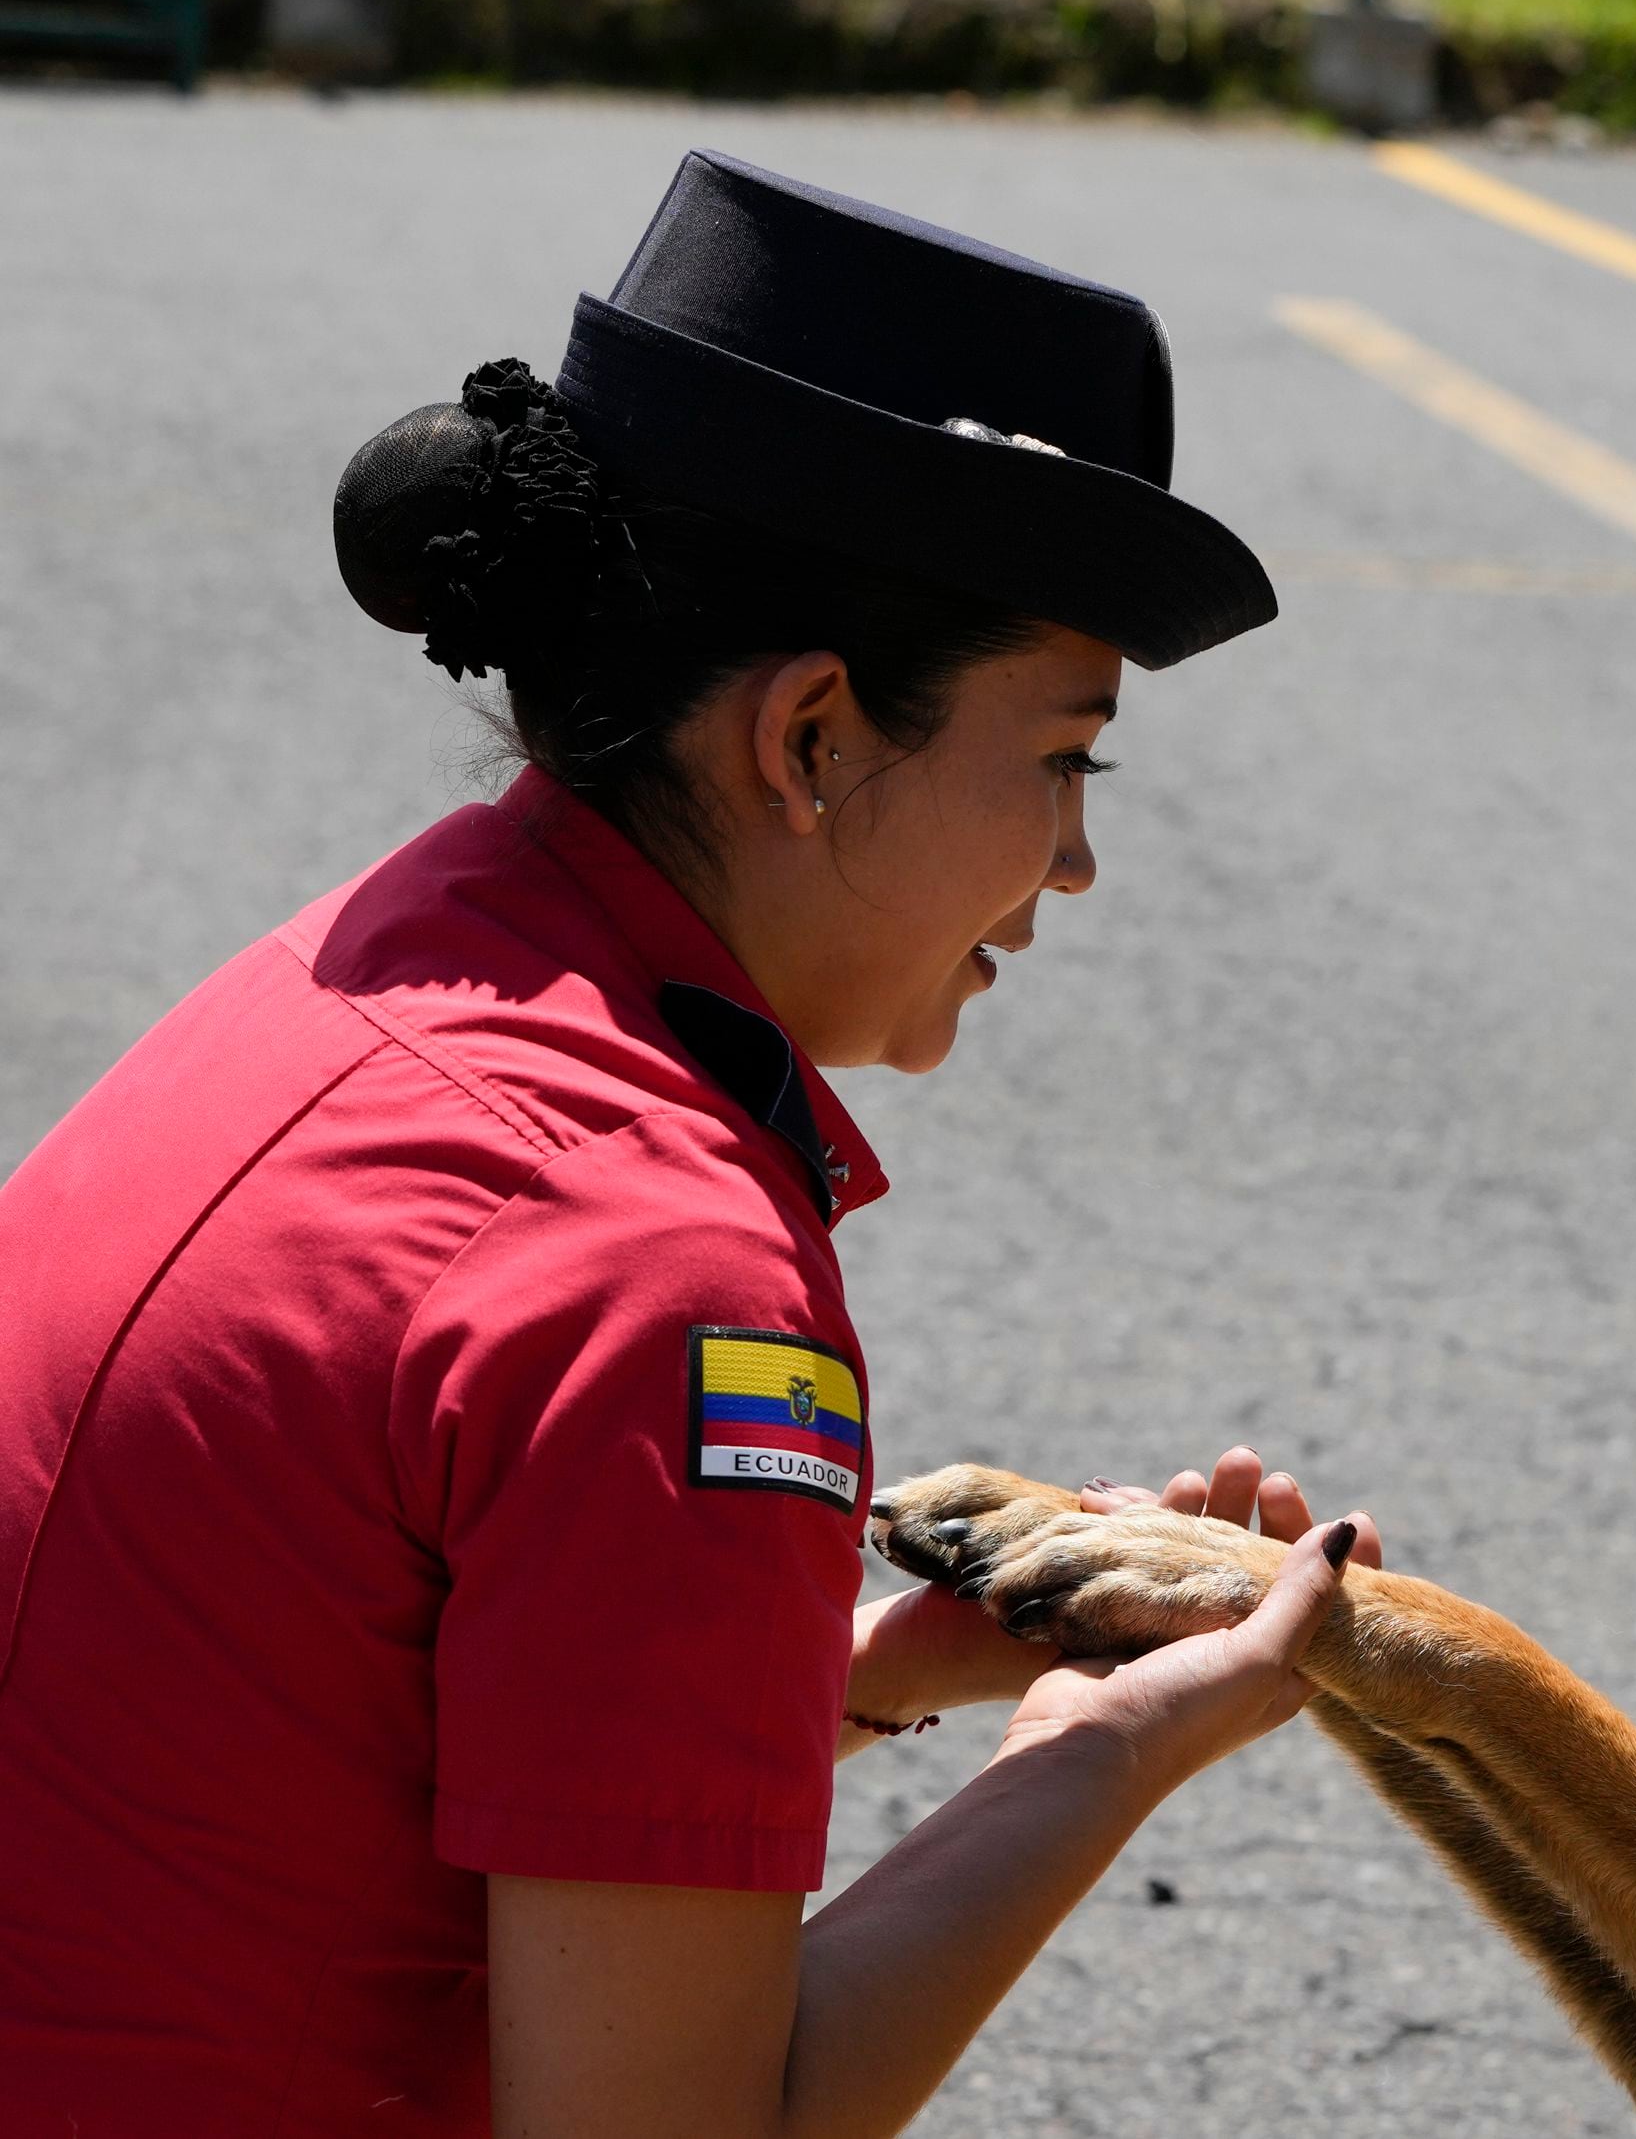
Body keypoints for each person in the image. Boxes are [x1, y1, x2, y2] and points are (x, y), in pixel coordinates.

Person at [0, 151, 1378, 2134]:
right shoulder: (660, 1272)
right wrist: (1098, 1751)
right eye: (1065, 760)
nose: (1077, 863)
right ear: (811, 738)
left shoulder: (360, 966)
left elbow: (339, 1719)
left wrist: (871, 1671)